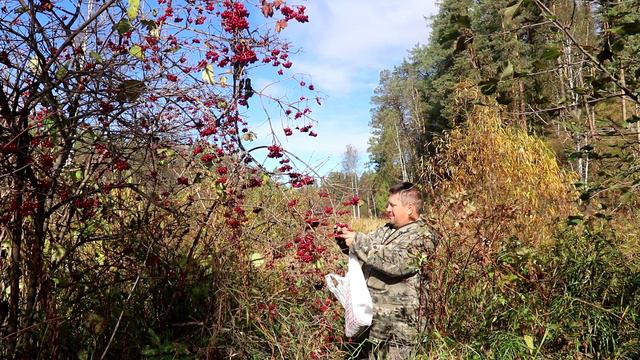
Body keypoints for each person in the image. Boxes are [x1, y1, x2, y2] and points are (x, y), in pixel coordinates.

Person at [335, 182, 437, 360]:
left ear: (410, 208)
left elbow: (397, 263)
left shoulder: (423, 235)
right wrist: (345, 238)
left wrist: (358, 242)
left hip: (400, 329)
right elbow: (366, 247)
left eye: (392, 205)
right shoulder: (387, 230)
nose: (387, 208)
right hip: (375, 325)